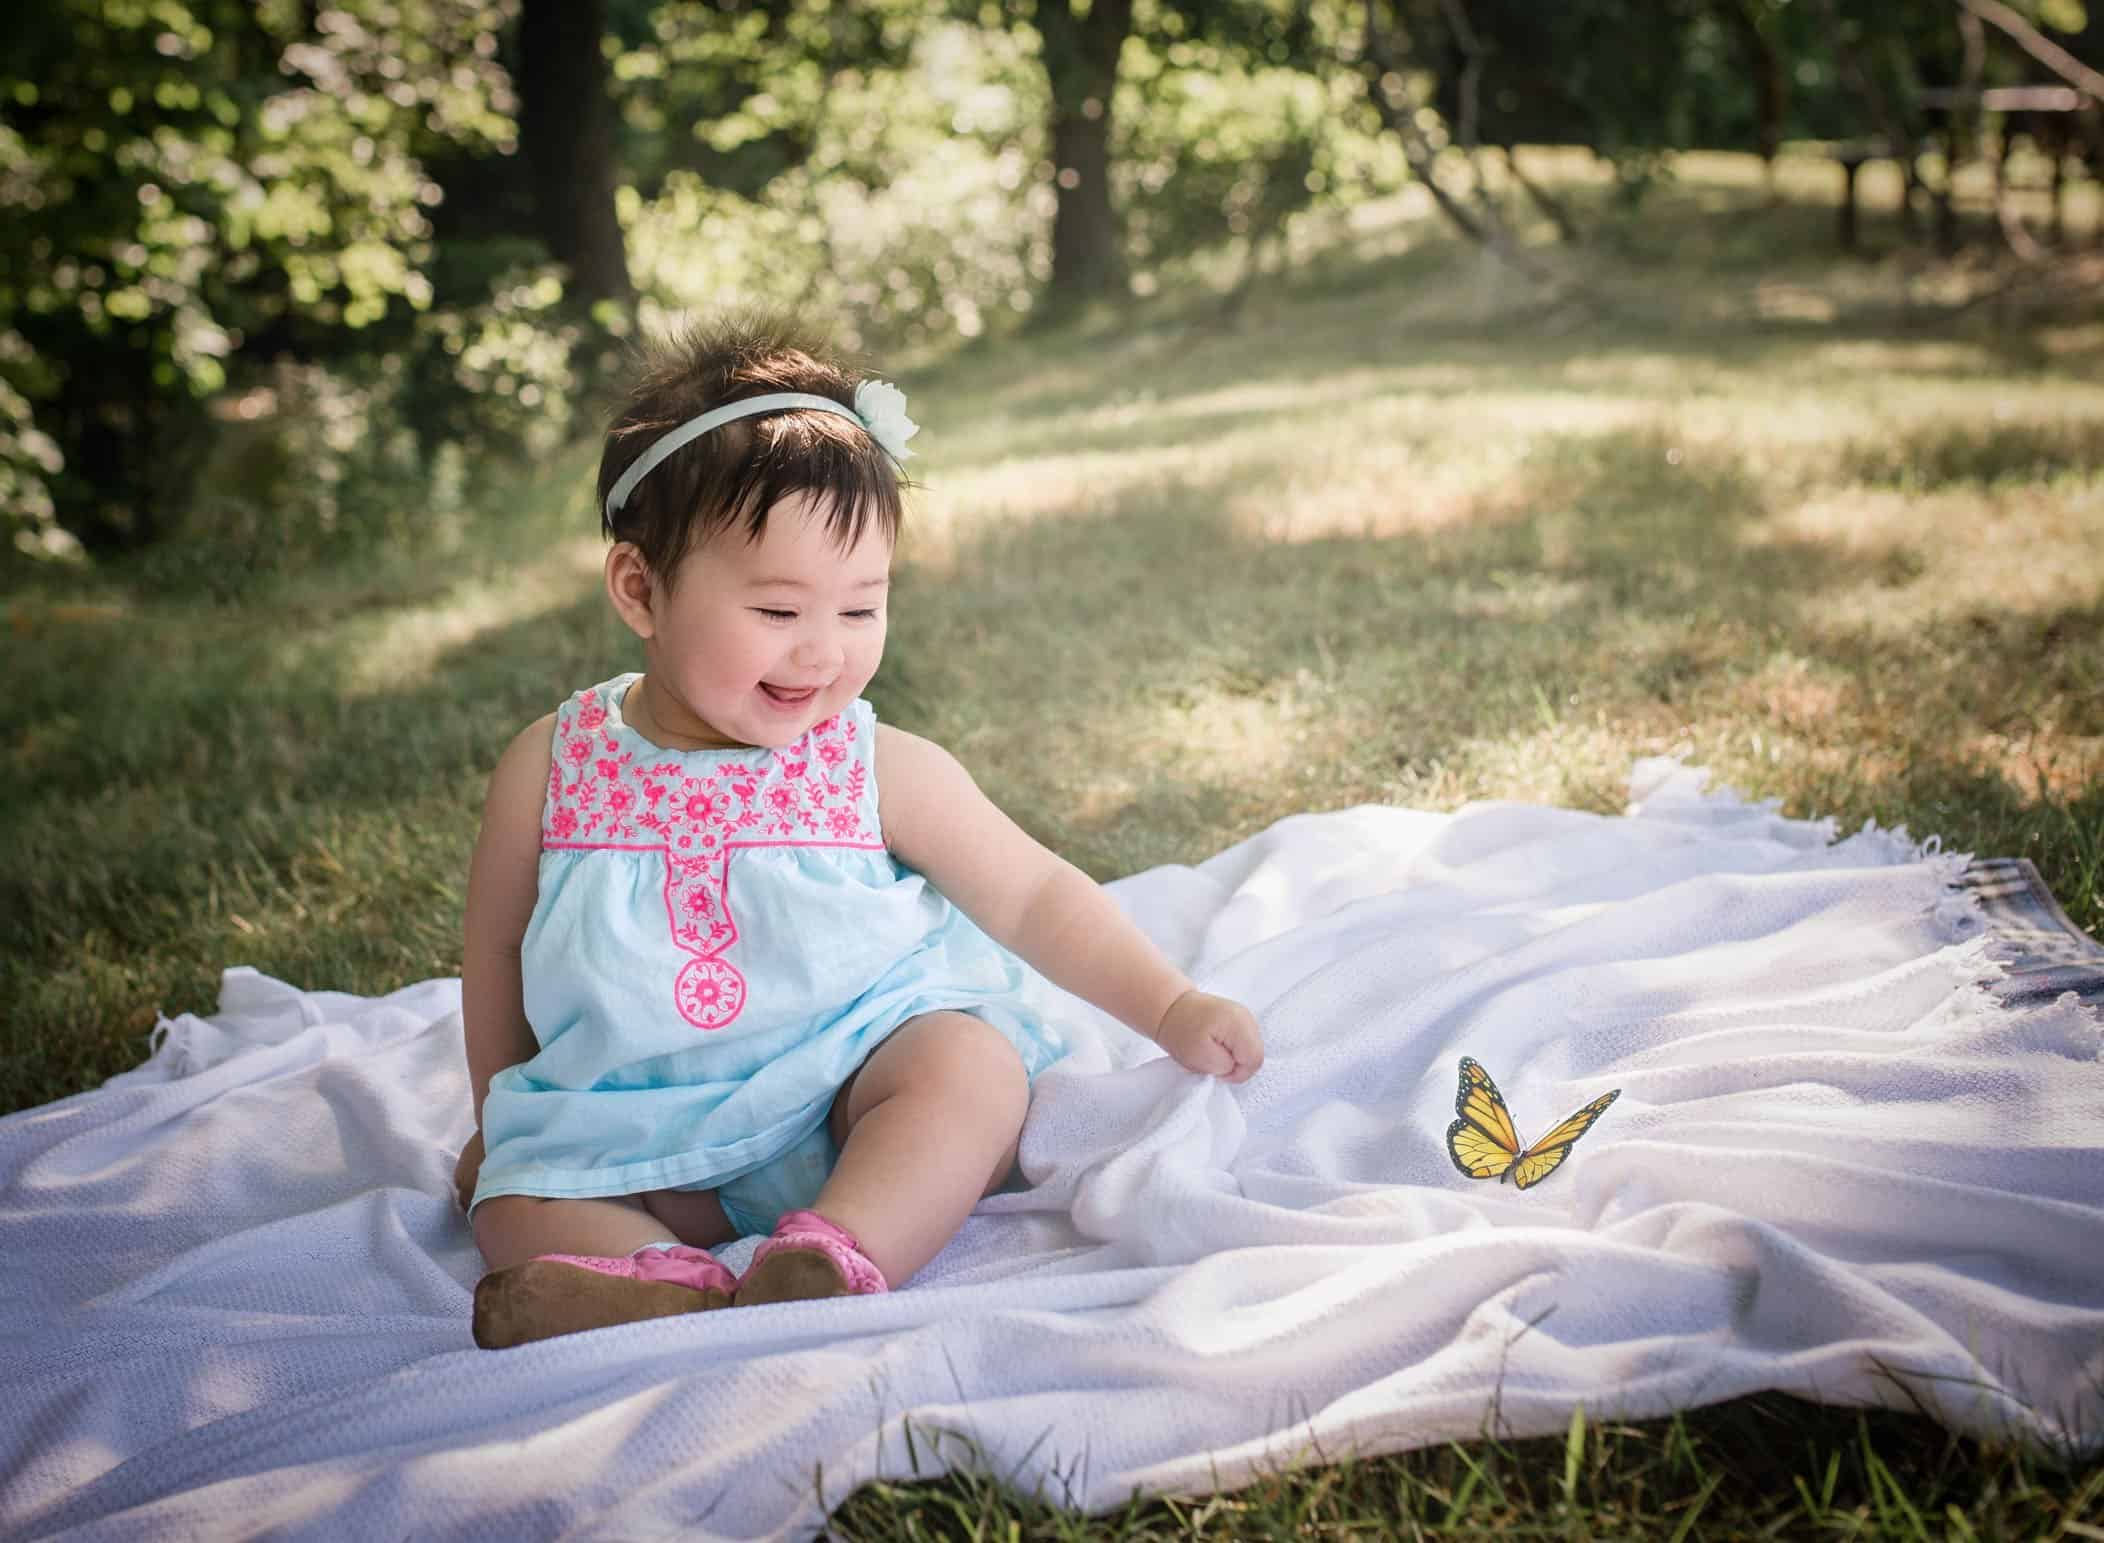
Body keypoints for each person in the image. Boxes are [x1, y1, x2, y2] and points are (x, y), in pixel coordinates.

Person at [453, 316, 1265, 1349]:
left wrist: (1170, 1003)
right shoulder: (551, 766)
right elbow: (495, 949)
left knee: (967, 1065)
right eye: (780, 609)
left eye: (860, 609)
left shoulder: (871, 765)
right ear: (641, 589)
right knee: (512, 1199)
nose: (822, 654)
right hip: (631, 1126)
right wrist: (504, 1121)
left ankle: (833, 1249)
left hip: (843, 1101)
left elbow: (1031, 894)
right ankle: (649, 1280)